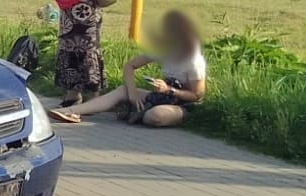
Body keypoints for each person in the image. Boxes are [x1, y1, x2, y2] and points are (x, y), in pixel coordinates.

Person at [49, 9, 206, 127]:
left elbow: (197, 95)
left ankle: (140, 112)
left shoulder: (192, 59)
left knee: (155, 116)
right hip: (162, 97)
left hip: (182, 104)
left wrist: (169, 90)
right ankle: (70, 112)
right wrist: (132, 93)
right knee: (122, 90)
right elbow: (130, 66)